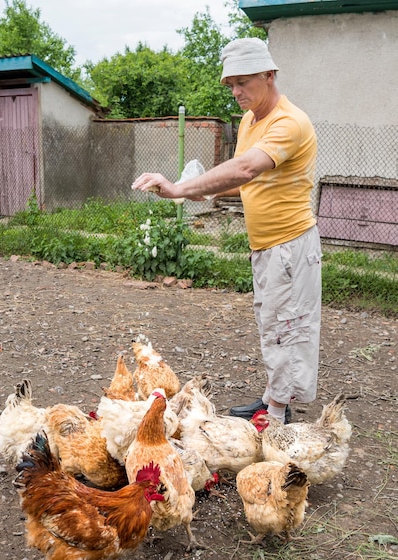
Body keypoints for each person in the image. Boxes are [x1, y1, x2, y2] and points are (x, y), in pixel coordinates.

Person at [131, 38, 321, 424]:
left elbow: (246, 168)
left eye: (243, 82)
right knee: (272, 325)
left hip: (289, 245)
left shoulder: (289, 122)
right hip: (267, 246)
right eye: (230, 84)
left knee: (287, 329)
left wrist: (181, 188)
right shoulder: (253, 121)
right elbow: (246, 180)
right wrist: (201, 192)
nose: (235, 92)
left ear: (269, 75)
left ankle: (278, 418)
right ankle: (273, 399)